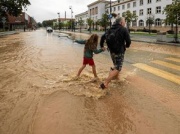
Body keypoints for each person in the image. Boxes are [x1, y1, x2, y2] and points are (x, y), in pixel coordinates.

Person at [100, 17, 131, 89]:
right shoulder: (123, 29)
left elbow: (102, 37)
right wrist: (126, 46)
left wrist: (102, 46)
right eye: (124, 22)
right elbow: (128, 41)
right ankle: (105, 83)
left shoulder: (110, 29)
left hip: (111, 51)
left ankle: (116, 78)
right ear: (121, 22)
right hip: (119, 51)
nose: (125, 23)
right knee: (118, 68)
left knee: (116, 65)